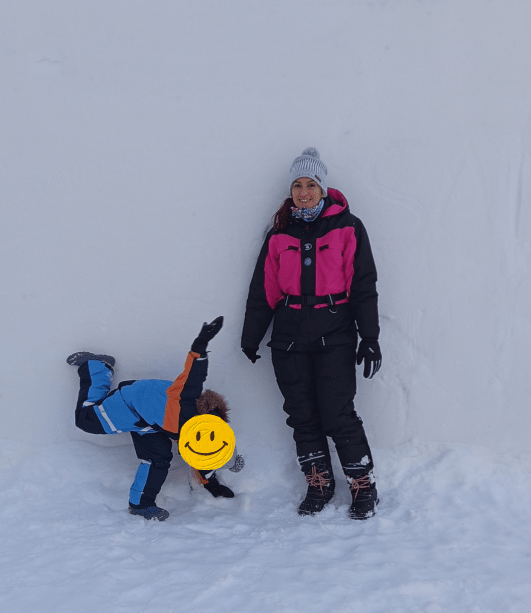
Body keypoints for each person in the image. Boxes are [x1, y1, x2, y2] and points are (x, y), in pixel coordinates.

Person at [241, 148, 381, 519]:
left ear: (323, 188)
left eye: (311, 185)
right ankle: (319, 483)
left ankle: (362, 485)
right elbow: (264, 289)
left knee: (338, 414)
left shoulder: (347, 227)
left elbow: (363, 285)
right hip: (289, 336)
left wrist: (369, 337)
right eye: (297, 185)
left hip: (334, 331)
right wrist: (251, 336)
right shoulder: (279, 233)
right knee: (302, 415)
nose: (303, 192)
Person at [67, 317, 242, 520]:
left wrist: (213, 485)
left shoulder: (214, 431)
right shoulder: (185, 402)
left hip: (152, 423)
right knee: (85, 419)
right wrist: (201, 345)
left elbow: (206, 456)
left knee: (158, 459)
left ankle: (141, 505)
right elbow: (194, 374)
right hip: (132, 404)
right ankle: (97, 367)